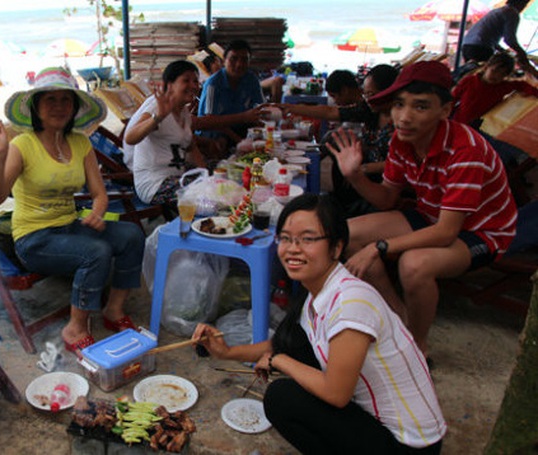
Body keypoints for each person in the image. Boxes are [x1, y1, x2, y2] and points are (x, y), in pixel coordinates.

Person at [192, 194, 446, 453]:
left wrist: (277, 360)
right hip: (383, 428)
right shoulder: (318, 291)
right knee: (299, 357)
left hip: (409, 446)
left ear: (336, 247)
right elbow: (283, 344)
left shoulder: (351, 303)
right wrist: (226, 352)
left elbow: (336, 393)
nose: (293, 248)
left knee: (283, 398)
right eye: (287, 238)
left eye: (308, 239)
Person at [327, 61, 517, 355]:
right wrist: (355, 175)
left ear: (445, 110)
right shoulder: (402, 140)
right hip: (431, 216)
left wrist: (378, 247)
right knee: (347, 233)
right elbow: (387, 199)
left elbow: (446, 232)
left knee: (414, 264)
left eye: (421, 107)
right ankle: (399, 319)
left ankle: (417, 347)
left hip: (482, 232)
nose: (404, 117)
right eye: (399, 104)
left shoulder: (466, 150)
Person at [0, 67, 145, 355]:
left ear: (75, 107)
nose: (58, 107)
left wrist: (97, 211)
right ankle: (75, 329)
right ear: (36, 106)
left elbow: (99, 195)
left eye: (65, 100)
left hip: (70, 226)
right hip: (34, 239)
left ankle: (114, 310)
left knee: (131, 234)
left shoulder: (81, 142)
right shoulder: (22, 145)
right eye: (50, 100)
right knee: (95, 252)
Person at [280, 65, 400, 217]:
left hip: (382, 180)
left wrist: (363, 169)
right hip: (364, 167)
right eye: (366, 94)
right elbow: (331, 112)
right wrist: (289, 108)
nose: (367, 99)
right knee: (336, 140)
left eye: (372, 94)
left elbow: (401, 163)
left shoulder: (402, 124)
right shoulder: (371, 111)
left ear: (390, 92)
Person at [123, 60, 207, 211]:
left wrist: (207, 175)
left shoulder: (184, 112)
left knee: (220, 176)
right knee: (206, 198)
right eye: (186, 80)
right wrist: (158, 117)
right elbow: (130, 138)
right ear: (170, 85)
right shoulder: (157, 106)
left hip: (176, 177)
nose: (193, 86)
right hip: (154, 184)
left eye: (195, 81)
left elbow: (191, 147)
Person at [196, 39, 267, 148]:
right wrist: (239, 139)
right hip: (214, 131)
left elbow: (261, 109)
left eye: (244, 60)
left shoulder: (251, 79)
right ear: (224, 60)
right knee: (221, 141)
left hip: (238, 128)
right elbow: (209, 121)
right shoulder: (212, 84)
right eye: (234, 59)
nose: (239, 64)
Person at [452, 51, 538, 127]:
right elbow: (452, 99)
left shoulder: (503, 86)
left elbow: (522, 85)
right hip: (458, 122)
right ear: (486, 67)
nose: (497, 76)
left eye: (502, 74)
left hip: (482, 127)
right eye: (494, 71)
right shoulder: (469, 81)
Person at [461, 0, 538, 79]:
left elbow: (489, 36)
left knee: (473, 76)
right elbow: (510, 40)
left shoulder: (498, 11)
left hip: (467, 45)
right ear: (522, 4)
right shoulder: (512, 13)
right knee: (487, 77)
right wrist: (521, 53)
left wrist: (504, 51)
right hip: (480, 48)